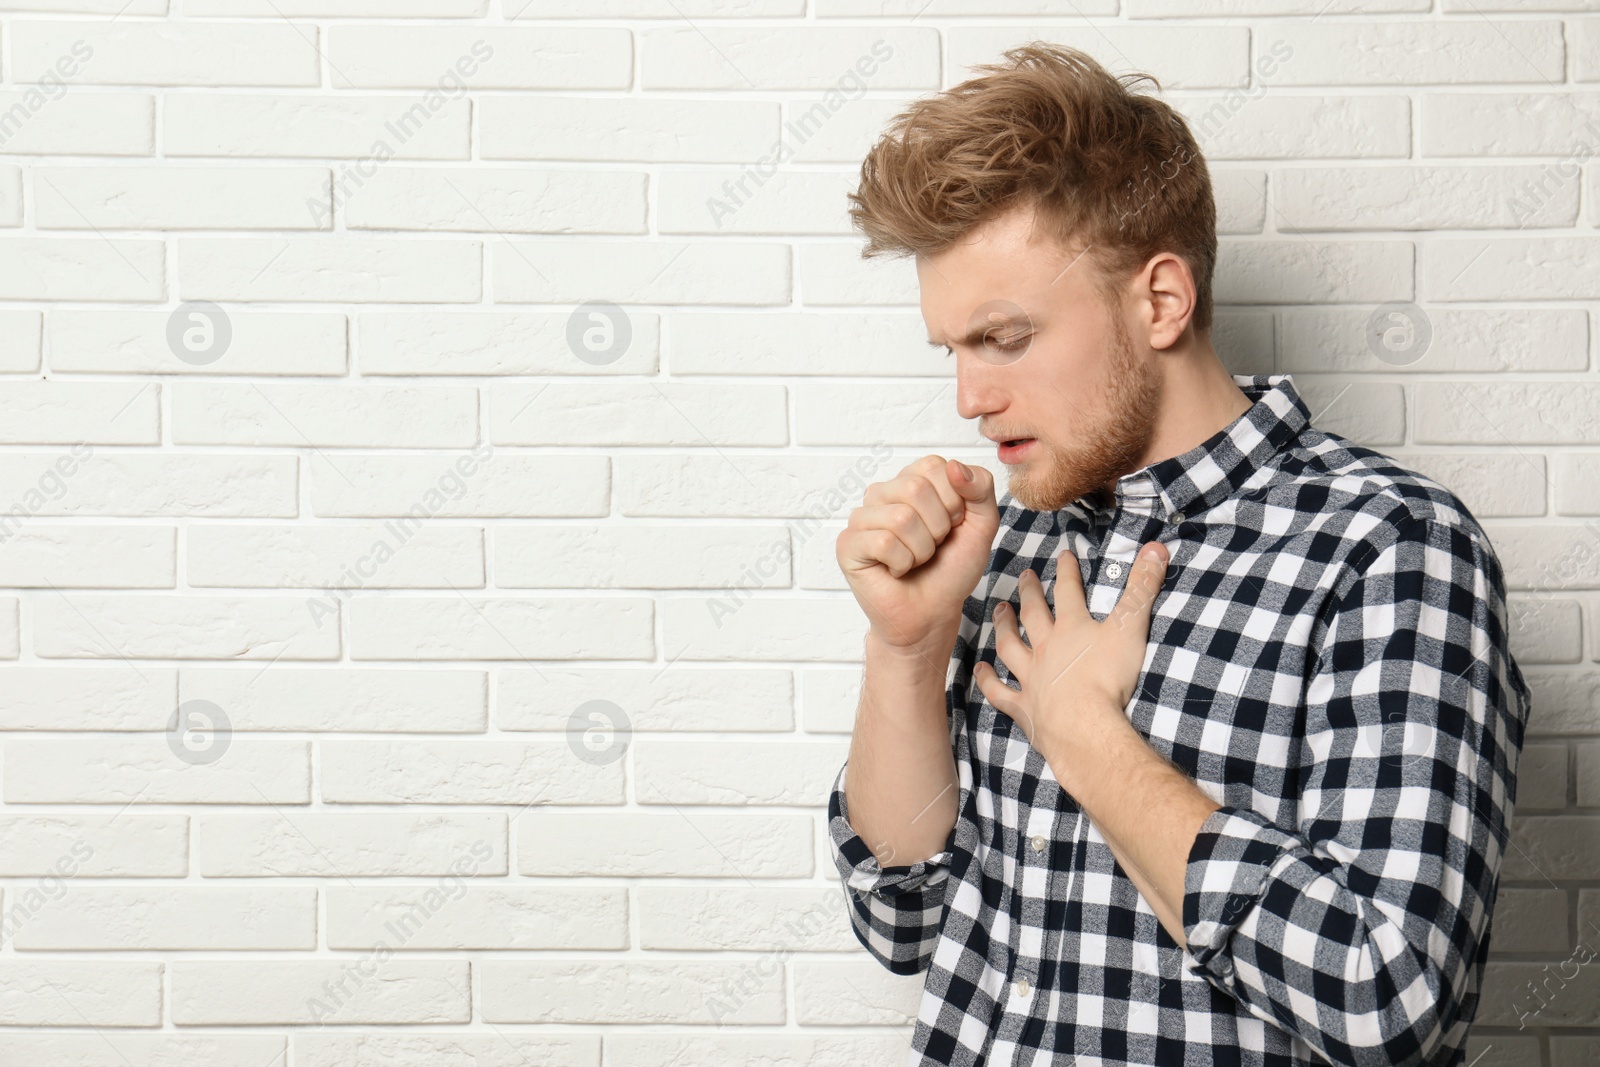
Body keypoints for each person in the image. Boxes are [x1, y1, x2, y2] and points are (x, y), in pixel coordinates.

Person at [829, 41, 1531, 1067]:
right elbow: (903, 923)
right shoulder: (1008, 542)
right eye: (954, 350)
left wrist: (1085, 734)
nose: (968, 398)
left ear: (1159, 300)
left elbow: (1391, 1002)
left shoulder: (1387, 551)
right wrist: (906, 646)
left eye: (1005, 338)